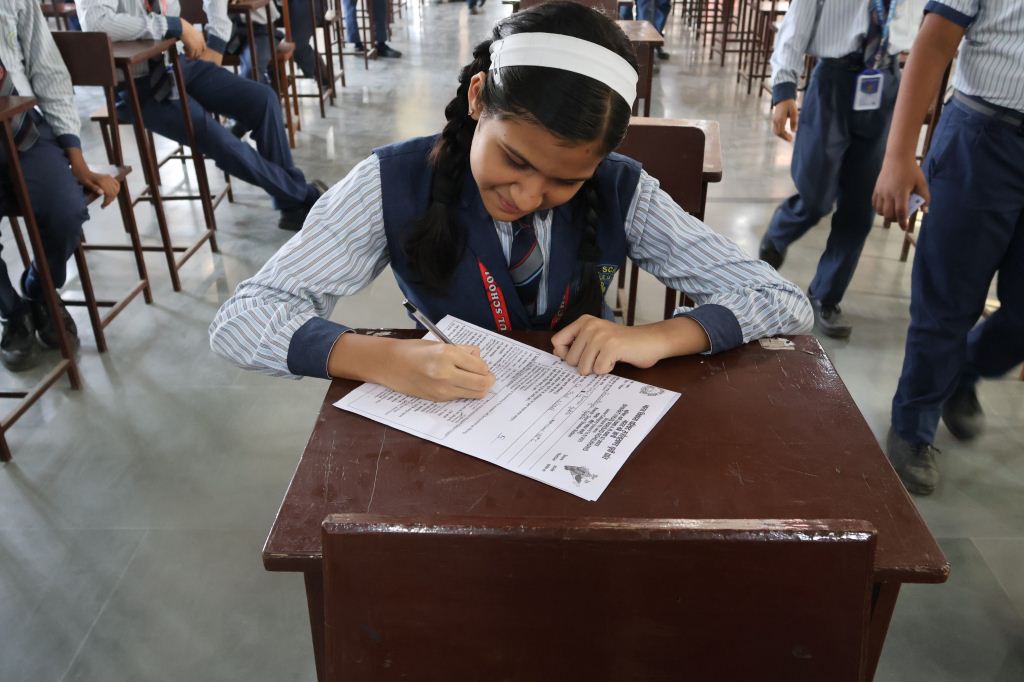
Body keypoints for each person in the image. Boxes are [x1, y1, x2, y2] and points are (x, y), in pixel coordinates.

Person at [210, 2, 812, 400]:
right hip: (445, 411)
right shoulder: (390, 183)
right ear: (478, 98)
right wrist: (378, 358)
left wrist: (656, 336)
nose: (527, 196)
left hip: (579, 412)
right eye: (515, 160)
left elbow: (780, 301)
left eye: (565, 181)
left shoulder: (623, 190)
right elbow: (243, 320)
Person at [873, 0, 1024, 495]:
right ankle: (913, 425)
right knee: (947, 300)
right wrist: (899, 154)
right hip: (984, 139)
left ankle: (965, 370)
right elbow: (936, 41)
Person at [78, 0, 327, 231]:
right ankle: (304, 196)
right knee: (221, 141)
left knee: (263, 99)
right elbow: (96, 21)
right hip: (139, 85)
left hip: (177, 64)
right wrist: (173, 25)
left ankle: (290, 203)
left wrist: (211, 39)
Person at [759, 0, 924, 338]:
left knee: (861, 205)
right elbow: (796, 24)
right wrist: (784, 88)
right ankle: (779, 233)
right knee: (816, 196)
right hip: (834, 79)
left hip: (887, 80)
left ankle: (826, 294)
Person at [0, 0, 121, 369]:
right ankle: (12, 312)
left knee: (66, 212)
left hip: (23, 127)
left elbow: (47, 68)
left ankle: (39, 291)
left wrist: (76, 157)